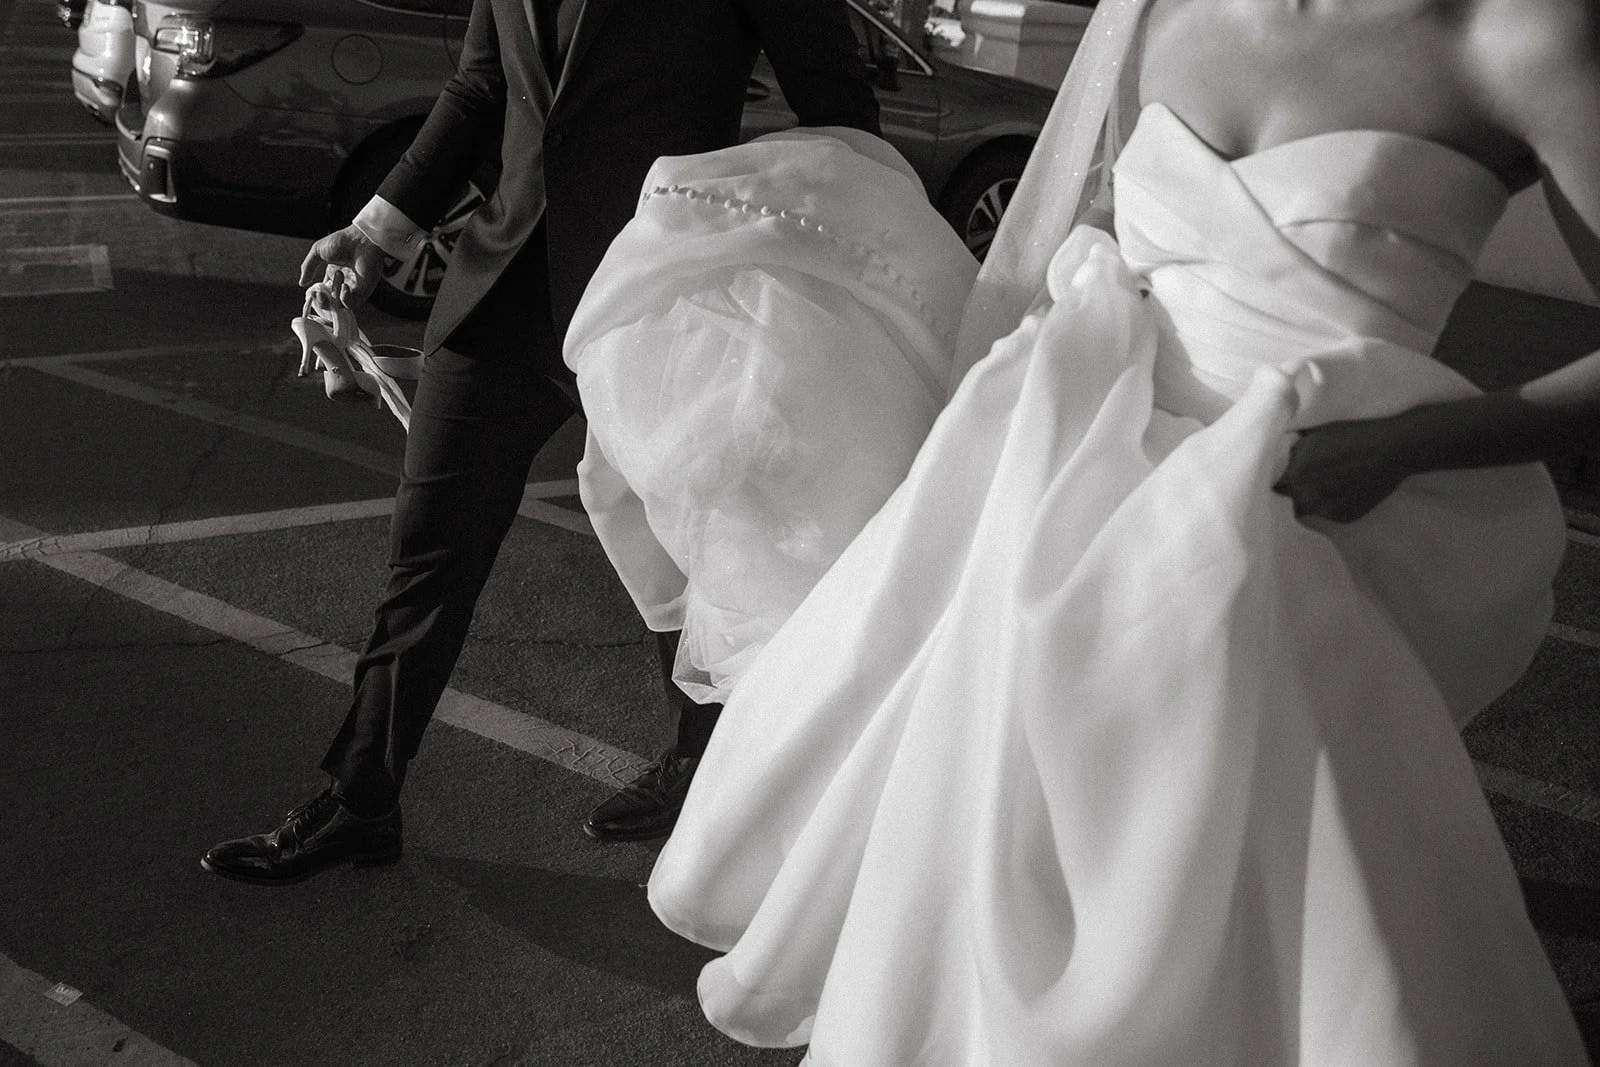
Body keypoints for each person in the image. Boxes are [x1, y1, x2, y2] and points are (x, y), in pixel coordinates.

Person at [566, 0, 1600, 1059]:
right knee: (974, 885)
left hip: (1277, 538)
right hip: (1053, 499)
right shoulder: (1167, 11)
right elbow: (1106, 233)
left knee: (1235, 938)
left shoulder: (1520, 38)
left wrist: (1407, 445)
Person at [199, 0, 881, 884]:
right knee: (429, 547)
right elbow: (482, 85)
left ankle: (701, 762)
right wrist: (376, 232)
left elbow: (840, 116)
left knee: (690, 548)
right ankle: (361, 796)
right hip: (505, 290)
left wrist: (771, 251)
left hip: (655, 296)